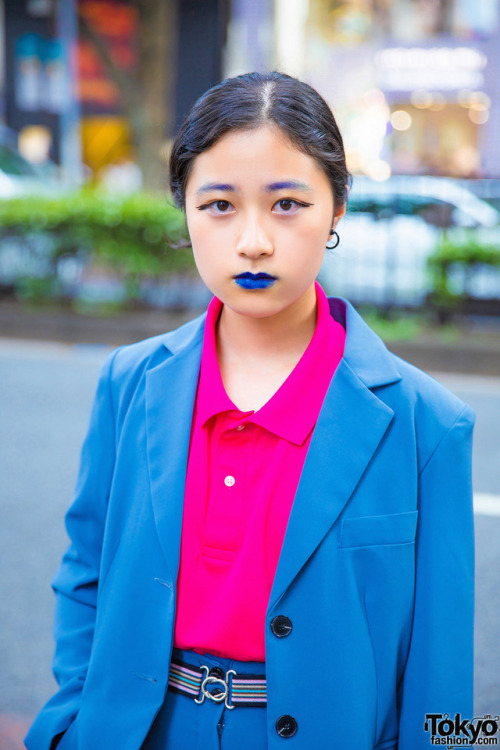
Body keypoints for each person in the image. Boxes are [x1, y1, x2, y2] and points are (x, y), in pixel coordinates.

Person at [25, 72, 475, 750]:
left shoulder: (426, 424)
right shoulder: (131, 382)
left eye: (288, 203)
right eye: (219, 205)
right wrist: (68, 726)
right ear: (184, 209)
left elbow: (443, 670)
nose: (254, 241)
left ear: (338, 207)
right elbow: (86, 573)